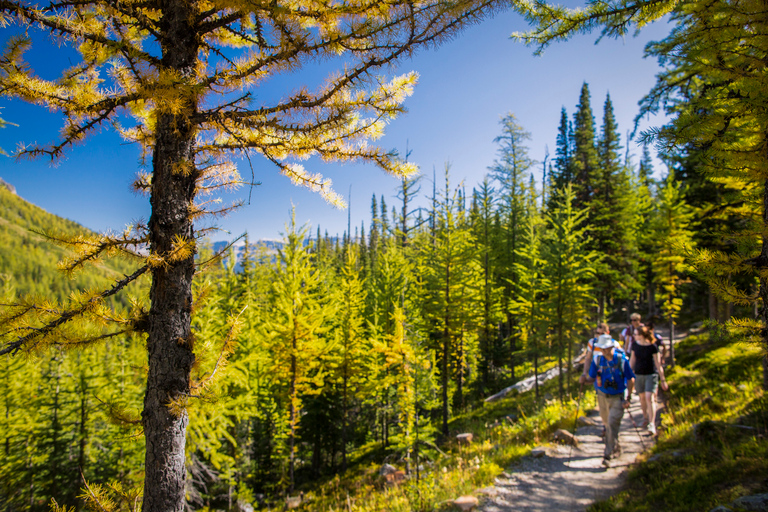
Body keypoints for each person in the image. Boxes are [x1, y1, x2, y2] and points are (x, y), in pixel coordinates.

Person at [587, 334, 636, 466]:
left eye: (606, 348)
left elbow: (631, 379)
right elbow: (591, 377)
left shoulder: (621, 360)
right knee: (608, 425)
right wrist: (583, 379)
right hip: (602, 396)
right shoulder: (597, 360)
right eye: (602, 349)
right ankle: (616, 447)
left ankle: (607, 455)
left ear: (611, 347)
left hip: (618, 398)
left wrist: (628, 398)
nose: (604, 351)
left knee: (612, 423)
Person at [629, 326, 668, 435]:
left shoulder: (653, 347)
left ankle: (652, 423)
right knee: (642, 397)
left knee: (649, 397)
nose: (634, 336)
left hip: (651, 375)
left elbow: (658, 363)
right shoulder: (635, 345)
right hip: (638, 375)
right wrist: (628, 373)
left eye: (636, 334)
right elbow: (632, 360)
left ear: (642, 335)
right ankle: (645, 417)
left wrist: (663, 379)